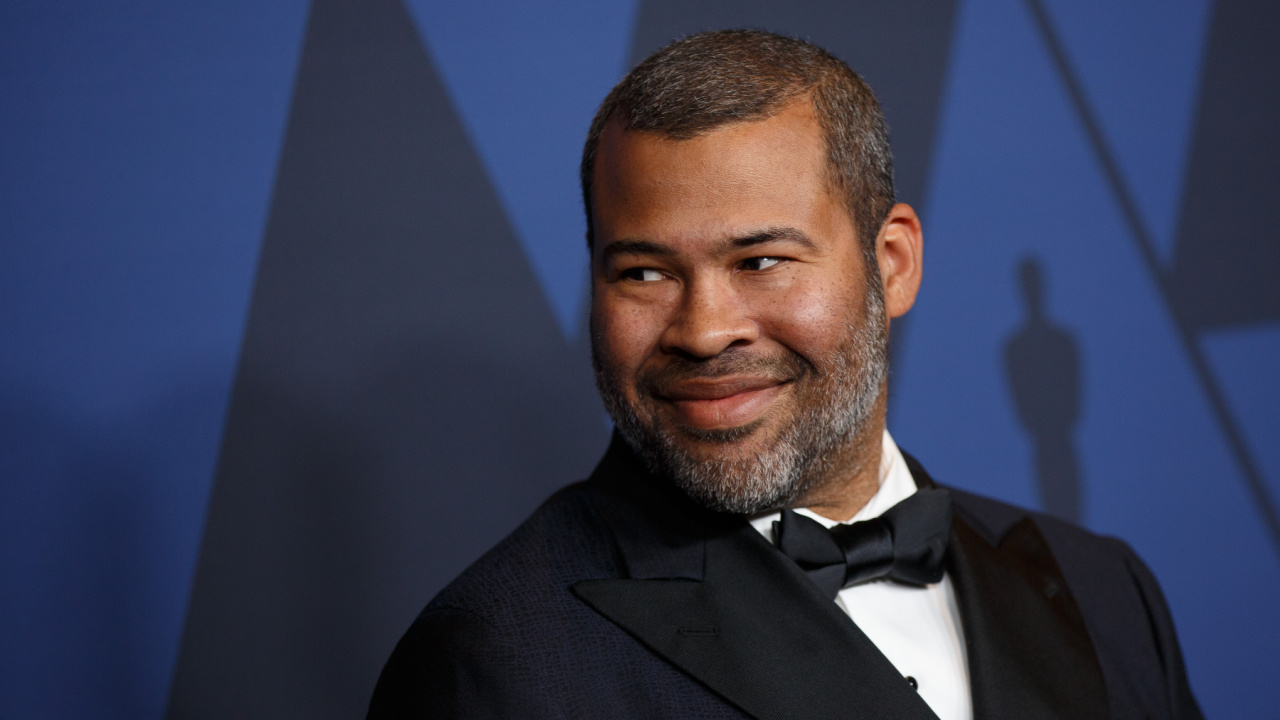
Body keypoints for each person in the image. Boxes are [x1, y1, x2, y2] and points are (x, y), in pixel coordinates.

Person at [367, 29, 1201, 720]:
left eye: (761, 261)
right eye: (644, 273)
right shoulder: (495, 661)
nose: (704, 332)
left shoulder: (1104, 593)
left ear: (893, 264)